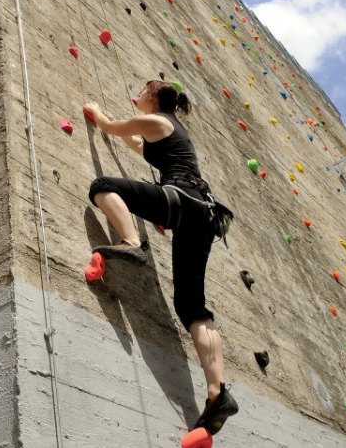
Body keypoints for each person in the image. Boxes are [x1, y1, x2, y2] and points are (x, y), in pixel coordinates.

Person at [84, 80, 239, 436]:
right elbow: (137, 145)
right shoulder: (169, 130)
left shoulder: (158, 120)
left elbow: (111, 127)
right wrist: (118, 126)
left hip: (180, 199)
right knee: (192, 308)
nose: (136, 96)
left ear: (152, 97)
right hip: (204, 214)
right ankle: (217, 393)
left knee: (101, 187)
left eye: (141, 92)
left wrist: (96, 111)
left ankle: (131, 241)